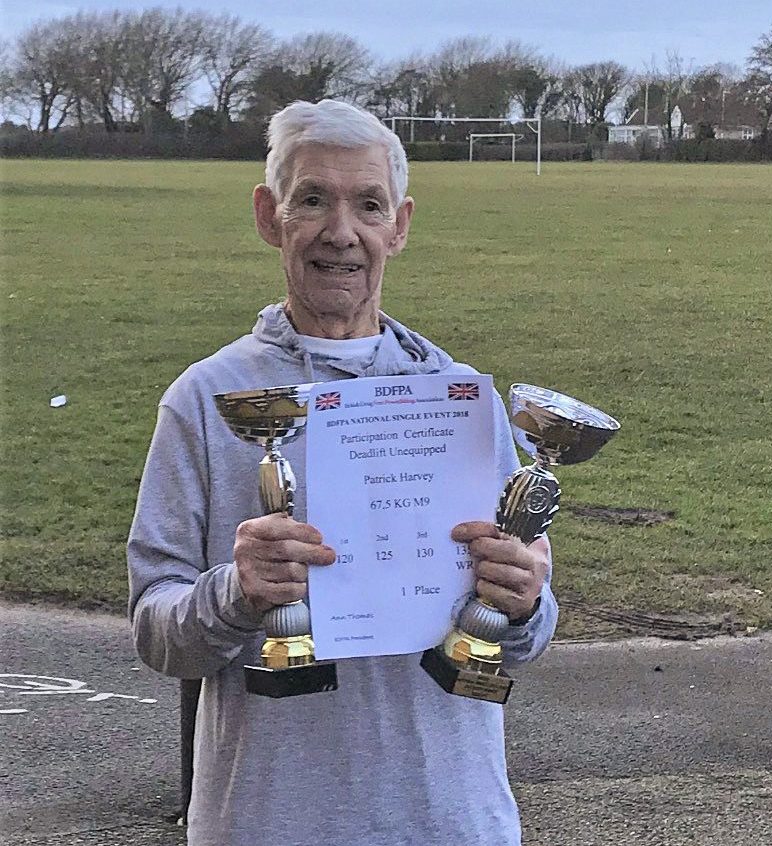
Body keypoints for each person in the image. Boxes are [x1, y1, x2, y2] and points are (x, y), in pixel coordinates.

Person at [128, 99, 558, 846]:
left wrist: (523, 602)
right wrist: (237, 594)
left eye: (368, 204)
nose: (341, 232)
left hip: (451, 820)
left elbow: (524, 638)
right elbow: (158, 636)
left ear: (401, 225)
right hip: (269, 821)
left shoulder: (461, 399)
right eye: (313, 200)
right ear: (270, 216)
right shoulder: (205, 399)